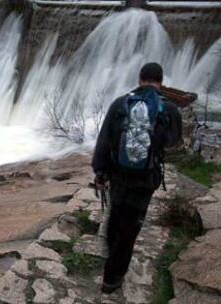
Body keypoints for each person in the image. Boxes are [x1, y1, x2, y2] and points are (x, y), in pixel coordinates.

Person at [92, 62, 183, 294]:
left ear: (140, 78)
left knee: (115, 215)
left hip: (118, 174)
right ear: (160, 82)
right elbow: (173, 142)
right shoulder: (169, 109)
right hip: (145, 179)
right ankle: (112, 278)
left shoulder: (120, 103)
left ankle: (112, 258)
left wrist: (100, 172)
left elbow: (104, 140)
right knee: (130, 227)